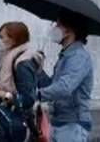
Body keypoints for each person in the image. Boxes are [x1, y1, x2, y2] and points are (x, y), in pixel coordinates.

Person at [38, 12, 93, 141]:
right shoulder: (66, 56)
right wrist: (39, 71)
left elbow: (64, 88)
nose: (54, 28)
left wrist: (36, 95)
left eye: (58, 25)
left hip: (72, 126)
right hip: (59, 123)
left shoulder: (78, 57)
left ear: (69, 31)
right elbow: (53, 86)